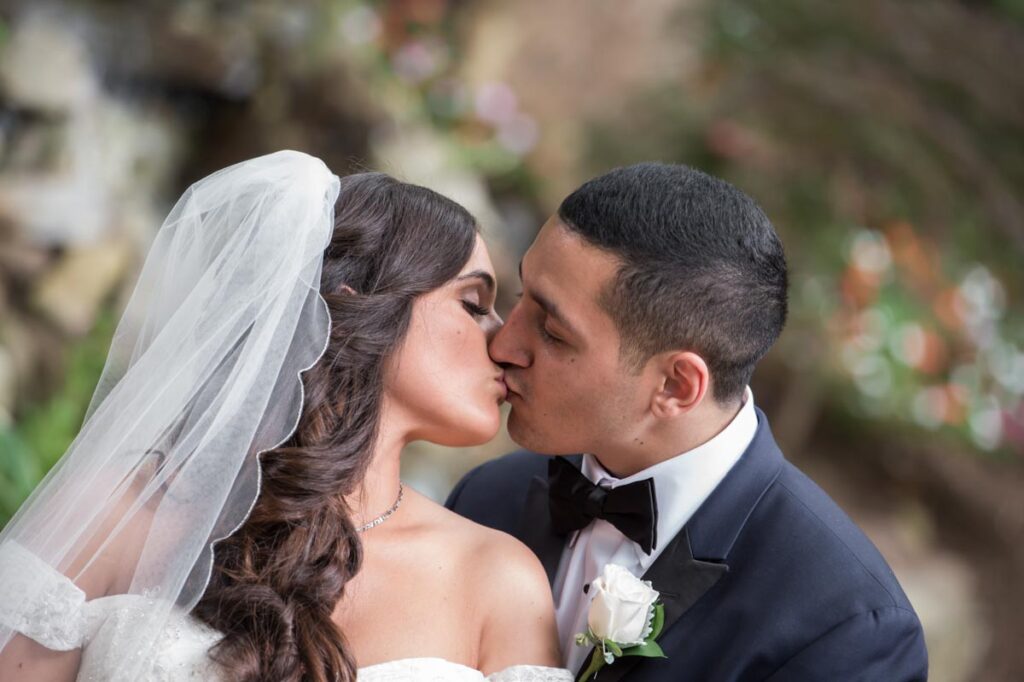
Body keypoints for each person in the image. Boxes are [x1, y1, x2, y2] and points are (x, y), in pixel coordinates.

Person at [0, 151, 573, 681]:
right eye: (473, 305)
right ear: (355, 307)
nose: (502, 341)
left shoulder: (498, 579)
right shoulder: (125, 513)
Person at [447, 162, 929, 681]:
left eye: (554, 332)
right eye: (522, 297)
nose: (503, 345)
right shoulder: (485, 499)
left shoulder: (846, 630)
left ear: (676, 386)